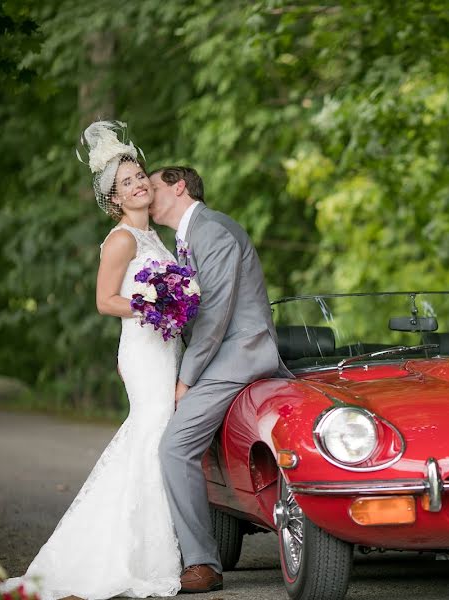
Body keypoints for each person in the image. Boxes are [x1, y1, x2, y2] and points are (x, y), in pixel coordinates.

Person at [2, 121, 182, 599]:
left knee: (160, 435)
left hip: (166, 346)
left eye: (141, 175)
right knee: (153, 433)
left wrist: (174, 308)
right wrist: (154, 307)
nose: (140, 183)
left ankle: (160, 545)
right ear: (114, 200)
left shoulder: (156, 238)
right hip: (145, 348)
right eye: (127, 182)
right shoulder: (122, 239)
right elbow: (105, 301)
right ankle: (134, 555)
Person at [148, 166, 291, 592]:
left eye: (153, 186)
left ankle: (202, 563)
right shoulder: (188, 236)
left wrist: (186, 379)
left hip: (240, 354)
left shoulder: (212, 230)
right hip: (221, 355)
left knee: (174, 447)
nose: (146, 193)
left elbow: (213, 316)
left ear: (178, 187)